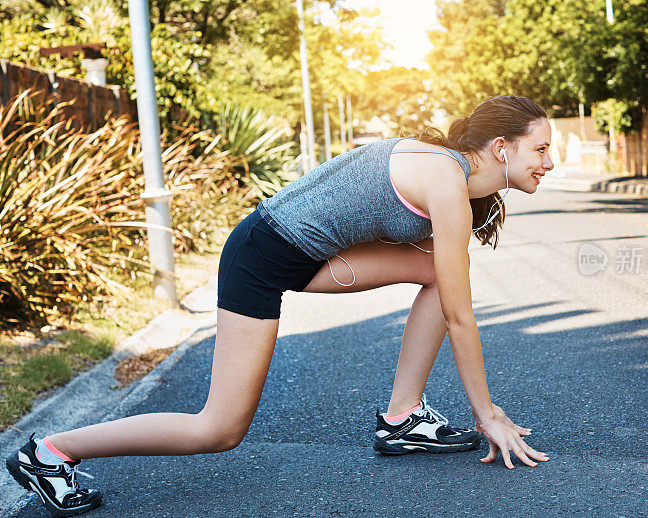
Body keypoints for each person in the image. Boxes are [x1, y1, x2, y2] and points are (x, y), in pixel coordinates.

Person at [5, 94, 552, 516]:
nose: (548, 162)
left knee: (439, 271)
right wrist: (487, 414)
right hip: (259, 258)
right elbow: (460, 315)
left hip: (305, 254)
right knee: (219, 429)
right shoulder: (447, 180)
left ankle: (403, 417)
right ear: (502, 147)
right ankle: (50, 451)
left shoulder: (451, 173)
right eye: (541, 149)